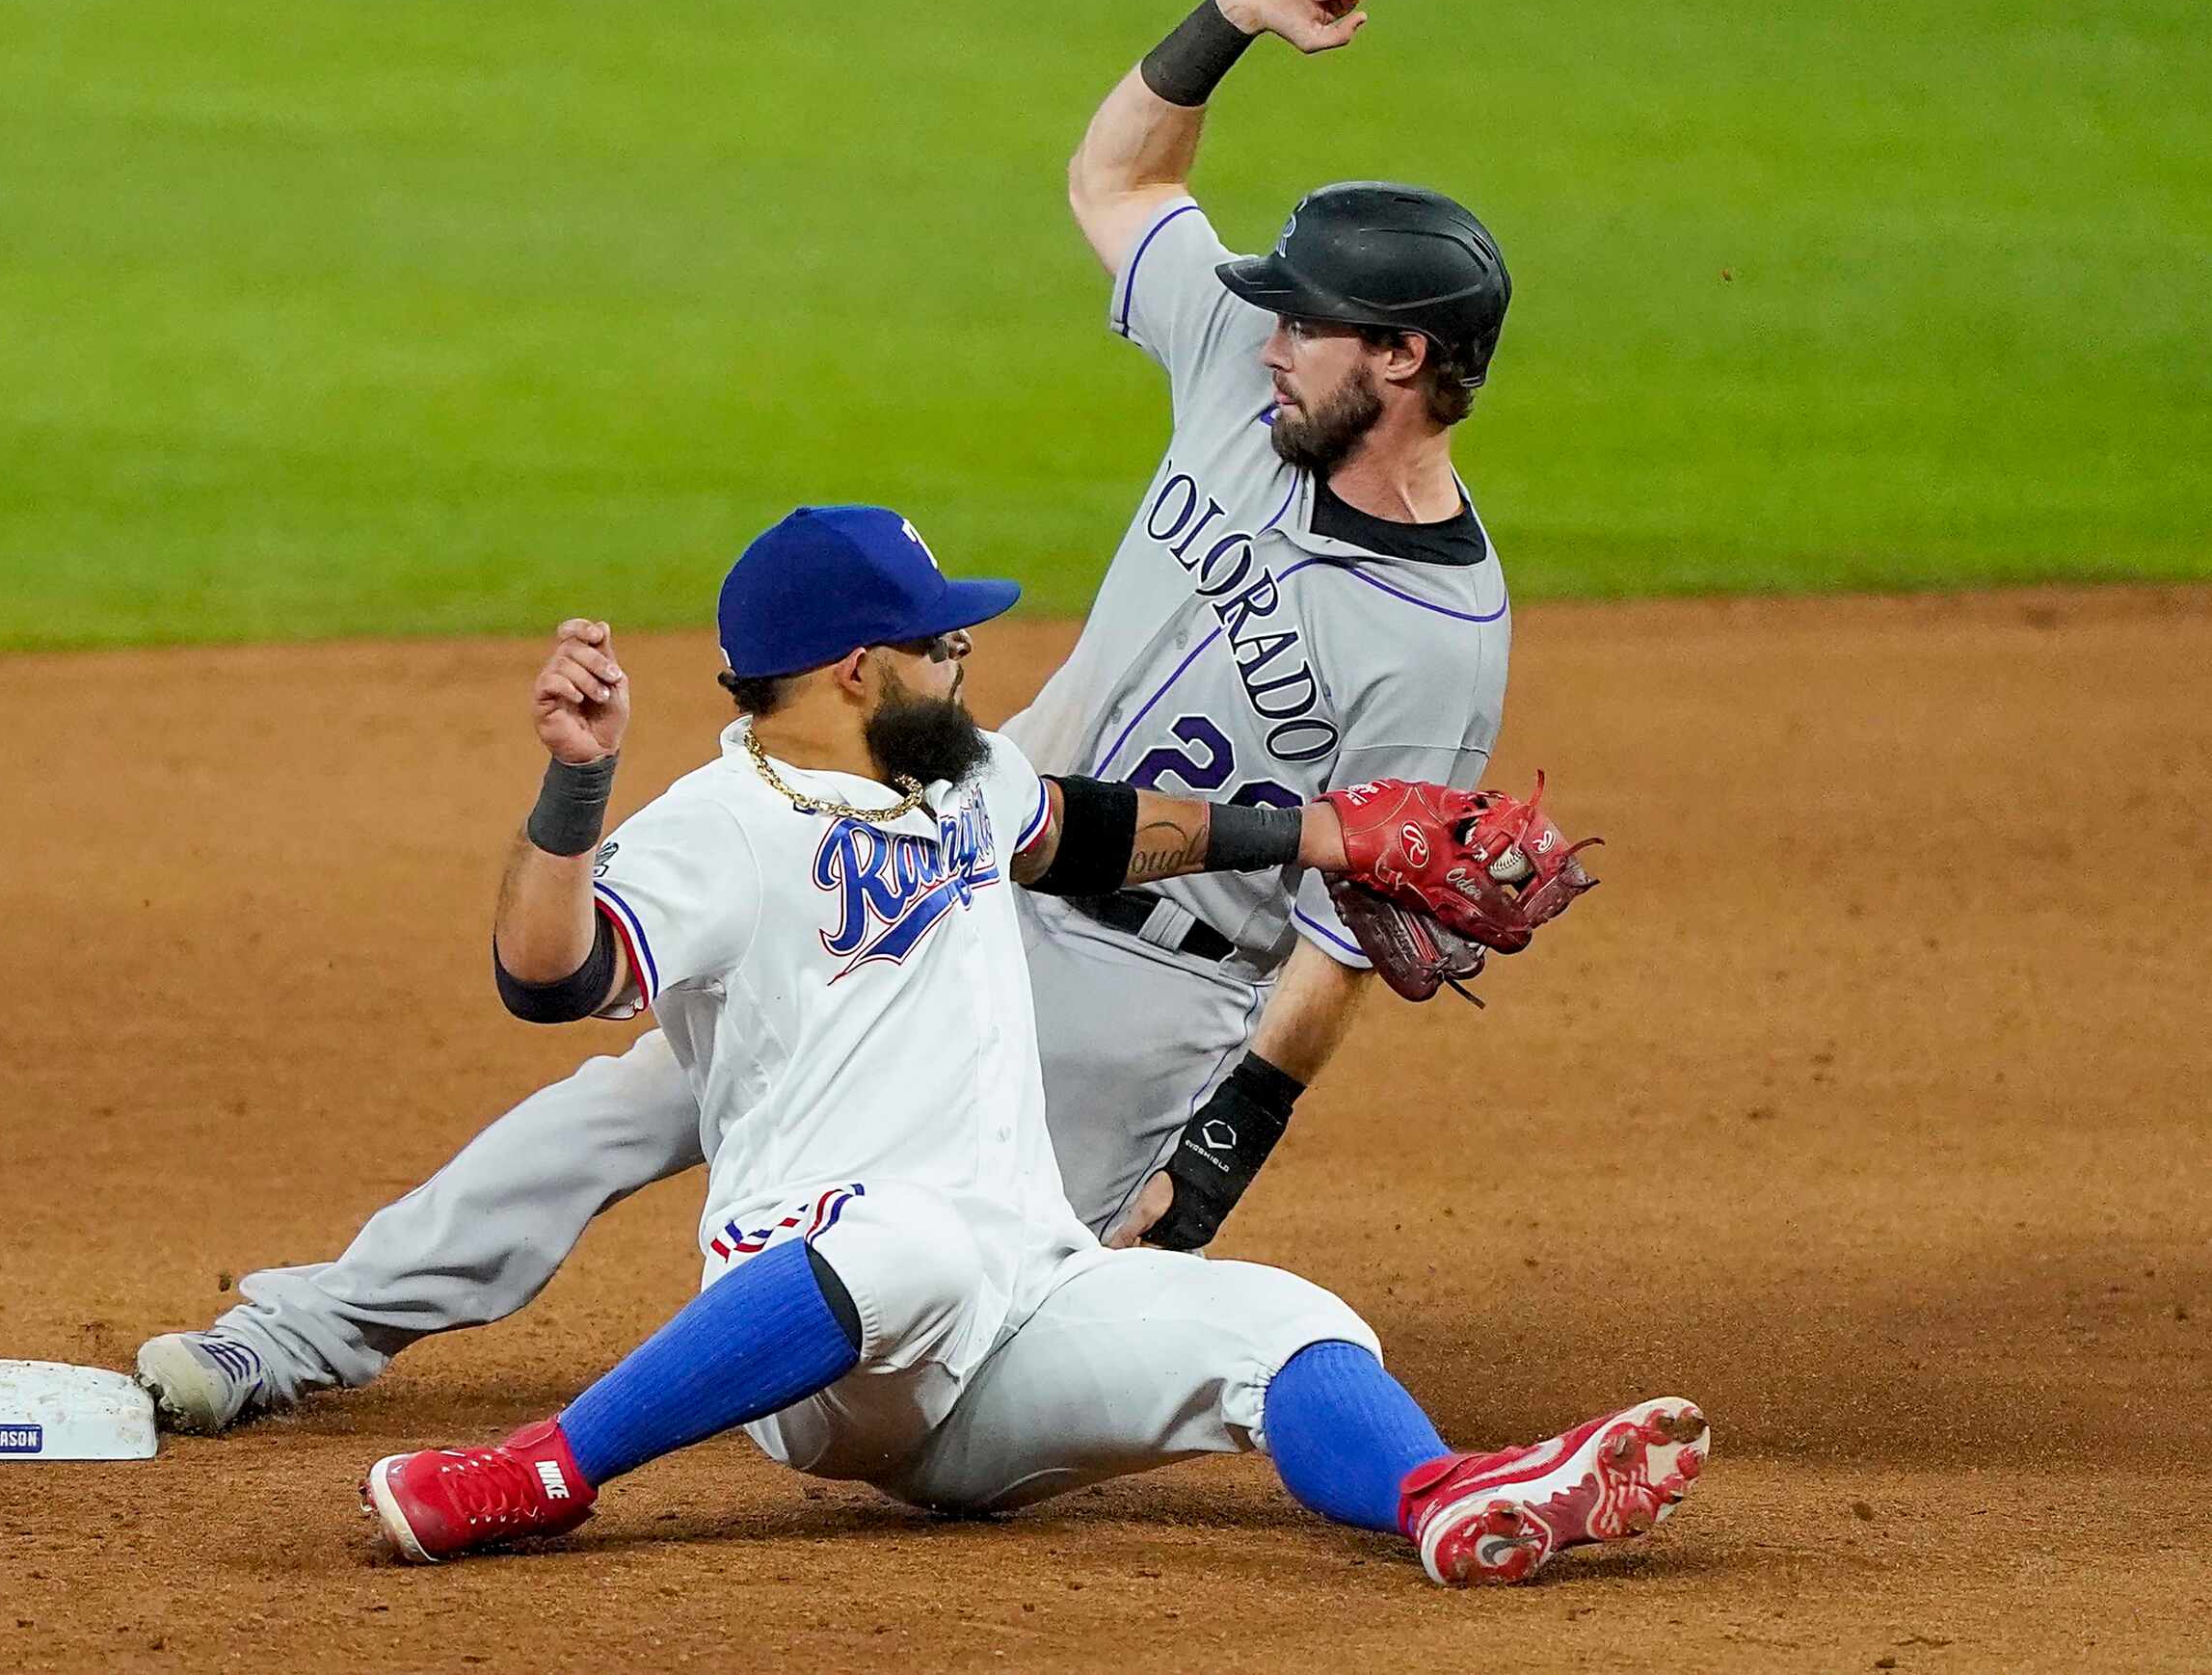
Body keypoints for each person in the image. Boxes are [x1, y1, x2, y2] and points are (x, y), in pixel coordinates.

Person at [140, 0, 1526, 1431]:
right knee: (632, 1097)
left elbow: (1345, 920)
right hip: (957, 839)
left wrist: (1224, 1140)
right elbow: (1122, 183)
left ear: (1398, 360)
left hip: (1141, 993)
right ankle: (302, 1327)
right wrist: (1223, 23)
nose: (1273, 330)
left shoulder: (1443, 639)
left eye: (1311, 320)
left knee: (954, 1346)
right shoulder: (1242, 372)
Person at [353, 505, 1704, 1588]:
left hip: (1012, 1313)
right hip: (822, 1320)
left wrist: (1331, 833)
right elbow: (549, 975)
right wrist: (577, 787)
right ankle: (535, 1473)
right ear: (854, 668)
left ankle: (1446, 1496)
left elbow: (1092, 830)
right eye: (940, 643)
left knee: (1285, 1320)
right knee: (915, 1242)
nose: (965, 659)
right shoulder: (717, 826)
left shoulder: (964, 776)